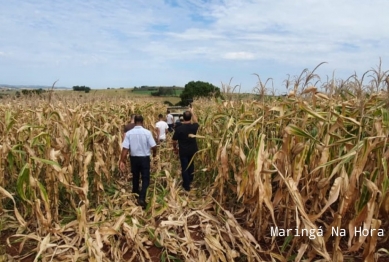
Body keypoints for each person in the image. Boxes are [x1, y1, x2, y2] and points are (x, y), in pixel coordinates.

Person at [119, 115, 157, 209]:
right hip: (144, 158)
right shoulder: (147, 133)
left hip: (134, 158)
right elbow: (154, 146)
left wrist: (122, 160)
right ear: (142, 122)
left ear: (134, 122)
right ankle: (142, 197)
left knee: (135, 176)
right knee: (145, 178)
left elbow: (125, 149)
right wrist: (155, 153)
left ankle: (135, 194)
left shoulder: (129, 133)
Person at [172, 108, 199, 192]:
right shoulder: (194, 127)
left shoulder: (179, 129)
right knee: (191, 165)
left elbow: (174, 140)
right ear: (190, 118)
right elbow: (196, 121)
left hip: (183, 151)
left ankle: (186, 185)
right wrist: (192, 112)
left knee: (184, 167)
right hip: (193, 150)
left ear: (183, 118)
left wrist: (175, 148)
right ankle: (190, 180)